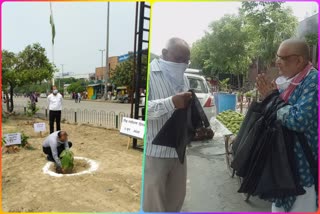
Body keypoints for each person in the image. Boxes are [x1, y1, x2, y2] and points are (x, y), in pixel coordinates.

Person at [256, 39, 318, 212]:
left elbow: (299, 120)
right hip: (282, 166)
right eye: (277, 57)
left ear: (298, 60)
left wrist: (271, 98)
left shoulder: (314, 81)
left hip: (300, 170)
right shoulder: (288, 81)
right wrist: (267, 99)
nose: (277, 62)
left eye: (282, 58)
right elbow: (274, 112)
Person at [143, 38, 192, 212]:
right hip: (155, 154)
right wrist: (170, 102)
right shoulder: (148, 75)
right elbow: (142, 110)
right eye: (178, 59)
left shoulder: (184, 78)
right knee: (154, 204)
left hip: (179, 152)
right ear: (164, 54)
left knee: (176, 200)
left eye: (186, 61)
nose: (183, 64)